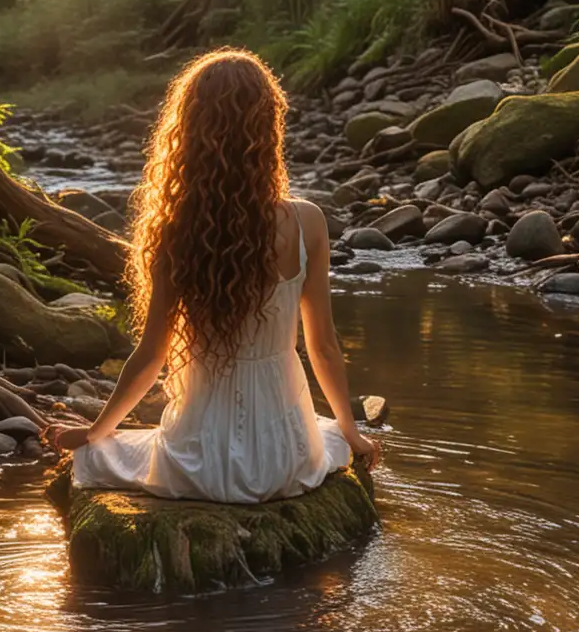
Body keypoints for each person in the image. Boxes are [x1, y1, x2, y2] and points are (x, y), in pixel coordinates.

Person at [51, 48, 378, 500]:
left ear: (188, 133)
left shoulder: (176, 232)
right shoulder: (307, 223)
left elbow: (150, 358)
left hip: (198, 463)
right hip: (287, 458)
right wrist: (353, 432)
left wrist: (94, 433)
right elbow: (322, 347)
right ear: (268, 129)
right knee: (333, 436)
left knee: (105, 453)